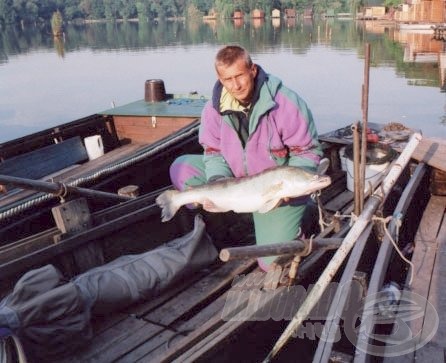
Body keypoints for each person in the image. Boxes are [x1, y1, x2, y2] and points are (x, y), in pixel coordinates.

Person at [169, 45, 323, 271]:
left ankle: (302, 213)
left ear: (252, 70)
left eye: (240, 75)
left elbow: (307, 151)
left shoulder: (285, 102)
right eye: (227, 79)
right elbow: (212, 152)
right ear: (220, 79)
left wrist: (289, 192)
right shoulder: (213, 110)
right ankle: (217, 213)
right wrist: (217, 179)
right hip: (234, 180)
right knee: (181, 167)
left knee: (271, 263)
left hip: (274, 193)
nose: (235, 85)